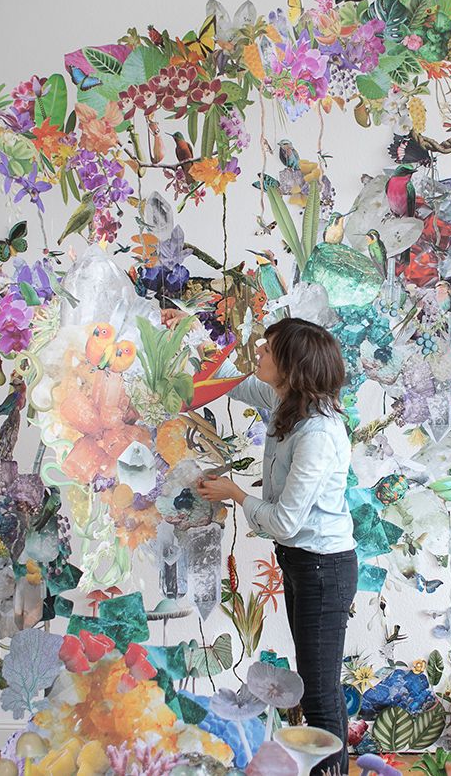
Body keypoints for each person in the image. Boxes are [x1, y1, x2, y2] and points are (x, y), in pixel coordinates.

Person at [189, 316, 358, 776]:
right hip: (305, 564)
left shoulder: (317, 434)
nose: (259, 354)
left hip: (323, 568)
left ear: (292, 365)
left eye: (267, 349)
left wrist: (235, 493)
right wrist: (191, 335)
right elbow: (232, 381)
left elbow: (285, 522)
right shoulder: (288, 403)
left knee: (319, 694)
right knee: (320, 685)